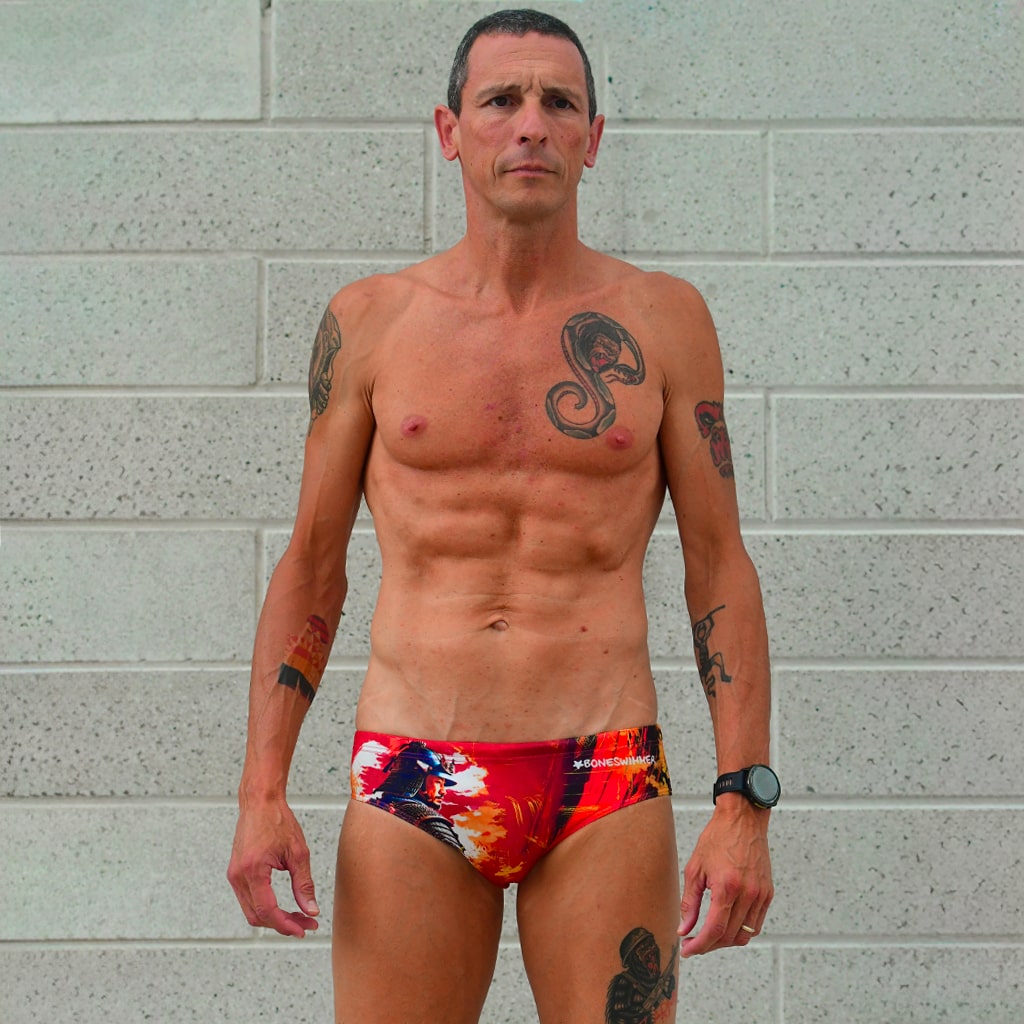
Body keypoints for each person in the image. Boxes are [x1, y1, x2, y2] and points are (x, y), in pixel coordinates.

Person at [228, 9, 775, 1023]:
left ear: (592, 139)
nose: (530, 123)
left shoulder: (664, 319)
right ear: (449, 130)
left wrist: (745, 799)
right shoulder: (371, 321)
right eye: (501, 100)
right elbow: (310, 566)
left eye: (559, 102)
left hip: (603, 771)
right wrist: (261, 792)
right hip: (415, 771)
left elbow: (718, 565)